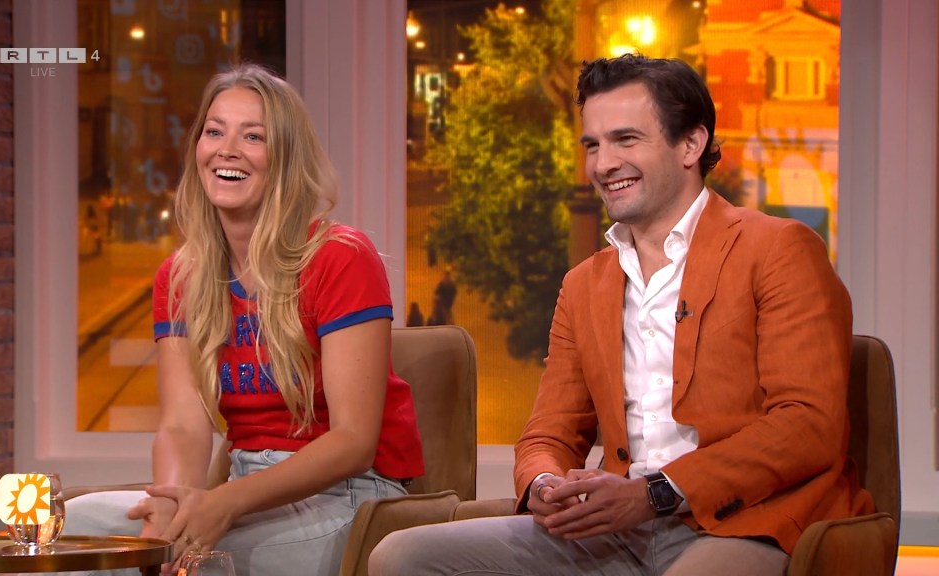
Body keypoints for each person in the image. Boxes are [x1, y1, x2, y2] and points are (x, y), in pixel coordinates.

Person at [368, 53, 873, 576]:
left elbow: (807, 424)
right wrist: (544, 483)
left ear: (691, 144)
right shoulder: (584, 284)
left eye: (625, 140)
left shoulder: (778, 250)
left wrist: (655, 493)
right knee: (403, 558)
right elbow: (549, 434)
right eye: (593, 145)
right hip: (616, 530)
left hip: (747, 520)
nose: (603, 164)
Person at [62, 63, 424, 576]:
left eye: (253, 136)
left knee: (209, 561)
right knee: (65, 533)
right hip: (240, 487)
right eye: (215, 131)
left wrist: (224, 504)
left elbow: (353, 442)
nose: (226, 149)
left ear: (286, 158)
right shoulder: (181, 276)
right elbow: (183, 424)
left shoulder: (340, 257)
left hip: (350, 496)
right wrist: (168, 510)